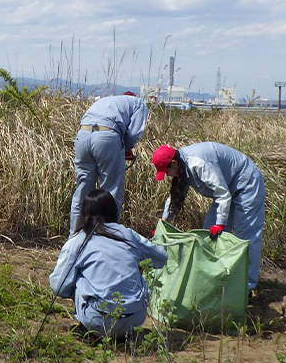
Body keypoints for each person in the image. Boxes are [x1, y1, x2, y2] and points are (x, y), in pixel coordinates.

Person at [50, 189, 168, 339]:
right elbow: (161, 258)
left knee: (79, 275)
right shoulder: (129, 234)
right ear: (113, 210)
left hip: (97, 321)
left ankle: (90, 329)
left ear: (84, 212)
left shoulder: (79, 240)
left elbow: (57, 286)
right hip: (136, 320)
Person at [152, 142, 266, 291]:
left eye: (166, 172)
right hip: (227, 189)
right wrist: (164, 222)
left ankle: (246, 288)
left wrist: (221, 223)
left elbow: (223, 194)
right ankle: (218, 280)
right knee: (208, 234)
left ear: (173, 164)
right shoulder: (180, 164)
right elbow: (175, 197)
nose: (166, 175)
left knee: (245, 237)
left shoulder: (199, 164)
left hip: (246, 184)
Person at [69, 92, 149, 231]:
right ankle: (107, 238)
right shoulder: (139, 104)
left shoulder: (107, 100)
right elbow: (134, 134)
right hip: (106, 136)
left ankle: (75, 238)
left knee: (82, 191)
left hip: (82, 136)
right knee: (111, 192)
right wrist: (125, 149)